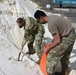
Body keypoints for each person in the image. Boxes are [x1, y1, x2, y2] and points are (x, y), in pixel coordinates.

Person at [34, 10, 76, 75]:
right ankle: (64, 72)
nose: (39, 22)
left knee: (51, 55)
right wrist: (52, 43)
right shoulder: (52, 18)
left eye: (38, 20)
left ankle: (49, 73)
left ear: (41, 17)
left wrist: (48, 49)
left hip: (67, 37)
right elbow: (57, 36)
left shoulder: (51, 25)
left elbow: (58, 41)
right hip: (70, 33)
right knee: (65, 55)